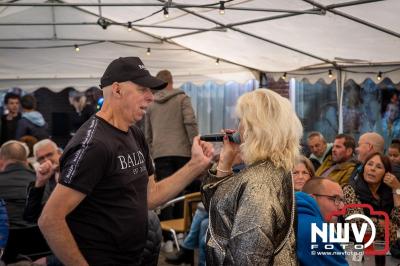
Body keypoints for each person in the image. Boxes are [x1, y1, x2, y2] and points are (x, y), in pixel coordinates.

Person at [38, 57, 214, 266]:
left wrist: (195, 165)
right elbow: (50, 220)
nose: (151, 97)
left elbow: (150, 196)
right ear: (117, 90)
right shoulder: (94, 145)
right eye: (142, 89)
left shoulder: (135, 134)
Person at [202, 89, 301, 265]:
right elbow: (219, 215)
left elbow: (247, 258)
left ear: (254, 128)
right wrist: (225, 161)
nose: (238, 126)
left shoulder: (259, 184)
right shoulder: (269, 171)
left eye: (241, 121)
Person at [145, 69, 199, 220]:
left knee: (164, 193)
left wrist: (153, 152)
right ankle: (180, 231)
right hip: (182, 152)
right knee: (181, 190)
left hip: (160, 155)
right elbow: (190, 123)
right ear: (171, 81)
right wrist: (195, 145)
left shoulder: (151, 104)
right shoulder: (182, 98)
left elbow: (148, 135)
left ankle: (168, 234)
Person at [343, 152, 400, 245]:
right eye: (369, 164)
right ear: (363, 168)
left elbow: (398, 220)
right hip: (358, 246)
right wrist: (388, 225)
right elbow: (358, 223)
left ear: (386, 173)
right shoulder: (350, 189)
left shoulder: (389, 192)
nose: (372, 169)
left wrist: (397, 188)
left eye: (379, 167)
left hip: (389, 250)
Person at [296, 178, 348, 266]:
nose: (342, 207)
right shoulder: (319, 231)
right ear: (312, 198)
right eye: (335, 198)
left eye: (342, 200)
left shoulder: (289, 215)